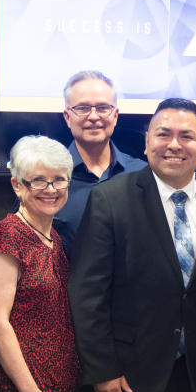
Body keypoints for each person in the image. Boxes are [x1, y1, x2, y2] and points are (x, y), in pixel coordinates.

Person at [68, 98, 196, 392]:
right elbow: (88, 294)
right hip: (126, 384)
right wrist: (102, 372)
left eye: (186, 136)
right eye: (164, 134)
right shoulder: (110, 199)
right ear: (147, 142)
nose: (174, 145)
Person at [0, 136, 81, 392]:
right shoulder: (8, 234)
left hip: (61, 390)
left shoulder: (55, 238)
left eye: (59, 180)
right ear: (17, 185)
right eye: (39, 180)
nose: (51, 189)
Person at [52, 71, 147, 257]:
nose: (94, 116)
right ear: (67, 117)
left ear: (115, 115)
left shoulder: (142, 175)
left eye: (103, 107)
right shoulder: (44, 177)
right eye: (82, 108)